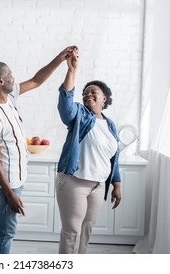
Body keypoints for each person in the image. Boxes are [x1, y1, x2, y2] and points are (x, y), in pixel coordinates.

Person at [0, 45, 77, 254]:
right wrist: (10, 195)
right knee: (7, 231)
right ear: (0, 81)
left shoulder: (9, 98)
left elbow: (36, 80)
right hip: (9, 182)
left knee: (0, 223)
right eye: (10, 75)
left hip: (16, 177)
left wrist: (60, 59)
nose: (13, 77)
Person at [56, 47, 122, 254]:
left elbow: (113, 158)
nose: (88, 95)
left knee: (86, 230)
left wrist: (116, 185)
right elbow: (65, 107)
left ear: (105, 99)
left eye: (93, 92)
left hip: (99, 186)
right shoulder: (80, 115)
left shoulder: (110, 125)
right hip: (74, 181)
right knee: (72, 231)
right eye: (85, 93)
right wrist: (72, 71)